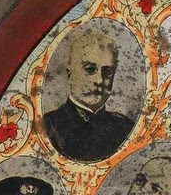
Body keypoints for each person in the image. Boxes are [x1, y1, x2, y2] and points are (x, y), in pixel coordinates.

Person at [43, 28, 134, 162]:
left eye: (107, 72)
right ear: (69, 75)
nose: (99, 80)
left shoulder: (125, 127)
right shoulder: (48, 125)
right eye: (90, 69)